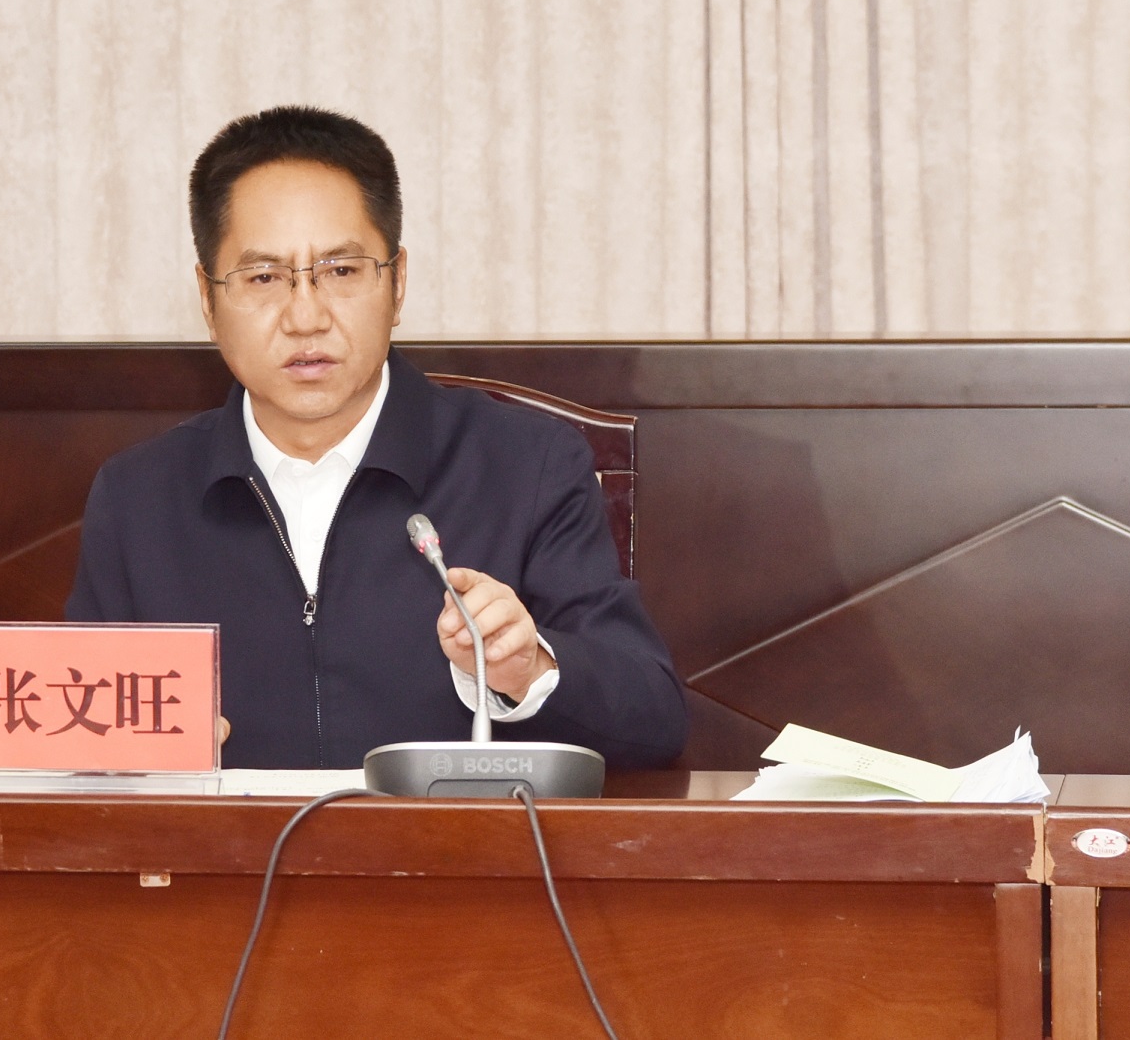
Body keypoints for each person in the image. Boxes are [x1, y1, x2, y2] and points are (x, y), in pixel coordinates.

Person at [65, 107, 687, 770]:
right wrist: (123, 753)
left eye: (341, 270)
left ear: (397, 283)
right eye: (264, 277)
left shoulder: (526, 467)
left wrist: (528, 669)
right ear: (208, 299)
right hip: (228, 842)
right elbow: (71, 740)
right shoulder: (138, 498)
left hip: (454, 840)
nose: (306, 317)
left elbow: (653, 718)